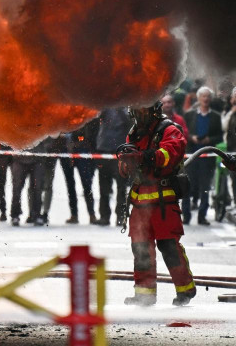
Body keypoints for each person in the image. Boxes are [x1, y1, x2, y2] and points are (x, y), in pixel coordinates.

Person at [120, 101, 196, 307]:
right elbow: (126, 166)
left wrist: (145, 157)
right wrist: (126, 163)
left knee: (169, 246)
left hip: (163, 199)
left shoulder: (170, 130)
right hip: (139, 201)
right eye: (135, 109)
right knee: (141, 248)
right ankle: (144, 295)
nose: (138, 114)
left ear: (154, 110)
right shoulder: (135, 132)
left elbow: (169, 154)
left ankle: (185, 289)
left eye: (142, 109)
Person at [182, 86, 223, 225]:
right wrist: (192, 138)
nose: (205, 99)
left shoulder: (216, 117)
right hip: (191, 157)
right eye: (203, 96)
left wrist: (209, 140)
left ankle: (202, 216)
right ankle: (185, 216)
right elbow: (183, 133)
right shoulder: (189, 115)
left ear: (210, 99)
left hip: (207, 158)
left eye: (208, 96)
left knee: (205, 188)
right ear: (198, 98)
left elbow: (219, 137)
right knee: (187, 187)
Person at [95, 107, 131, 226]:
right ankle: (104, 216)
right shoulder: (105, 105)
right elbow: (95, 117)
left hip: (120, 151)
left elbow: (129, 121)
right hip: (104, 149)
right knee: (104, 186)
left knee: (121, 187)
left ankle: (120, 216)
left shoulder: (126, 107)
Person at [62, 119, 99, 225]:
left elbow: (91, 129)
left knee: (86, 183)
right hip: (67, 150)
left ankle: (91, 214)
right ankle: (74, 214)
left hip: (82, 149)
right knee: (70, 184)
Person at [10, 140, 43, 226]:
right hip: (19, 160)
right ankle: (15, 215)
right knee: (16, 188)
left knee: (37, 188)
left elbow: (48, 135)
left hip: (37, 159)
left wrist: (43, 149)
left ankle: (37, 214)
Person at [221, 87, 236, 205]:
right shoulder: (228, 110)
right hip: (230, 149)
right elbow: (224, 126)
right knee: (233, 179)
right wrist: (232, 112)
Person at [0, 142, 13, 222]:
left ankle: (15, 212)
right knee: (1, 184)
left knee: (17, 184)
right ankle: (3, 211)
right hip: (1, 153)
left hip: (14, 153)